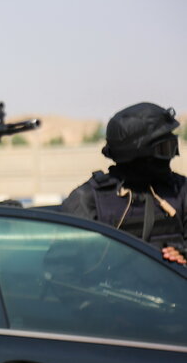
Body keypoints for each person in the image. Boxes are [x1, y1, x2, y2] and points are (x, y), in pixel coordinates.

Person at [62, 102, 187, 265]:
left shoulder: (180, 190)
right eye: (163, 149)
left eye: (172, 147)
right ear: (139, 153)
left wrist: (182, 255)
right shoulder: (88, 199)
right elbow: (63, 268)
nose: (171, 156)